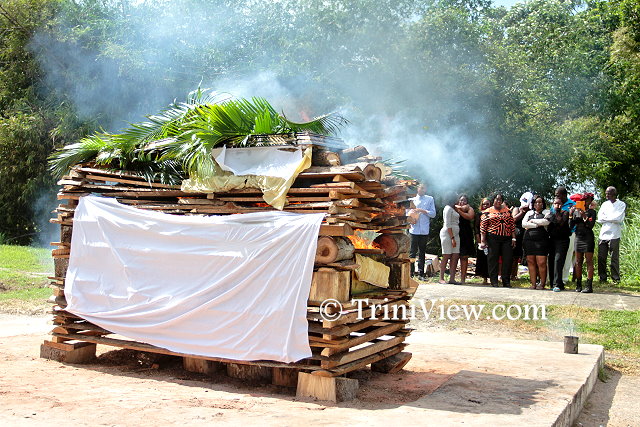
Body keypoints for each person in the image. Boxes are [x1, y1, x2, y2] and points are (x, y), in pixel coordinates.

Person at [480, 193, 516, 288]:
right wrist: (483, 240)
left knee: (507, 259)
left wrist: (513, 238)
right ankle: (494, 281)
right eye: (496, 199)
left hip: (507, 238)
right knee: (493, 259)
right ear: (493, 200)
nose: (498, 201)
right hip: (493, 238)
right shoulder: (487, 212)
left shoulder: (507, 211)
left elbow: (512, 225)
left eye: (500, 199)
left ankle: (506, 281)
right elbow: (483, 227)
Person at [597, 186, 626, 283]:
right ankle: (602, 278)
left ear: (614, 194)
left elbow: (618, 219)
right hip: (603, 234)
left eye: (608, 193)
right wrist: (611, 218)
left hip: (614, 234)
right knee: (601, 257)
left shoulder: (621, 204)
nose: (606, 195)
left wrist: (607, 218)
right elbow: (600, 218)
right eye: (606, 193)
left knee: (614, 258)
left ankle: (615, 278)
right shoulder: (605, 204)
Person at [408, 184, 437, 279]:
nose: (422, 190)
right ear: (417, 188)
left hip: (424, 230)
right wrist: (412, 218)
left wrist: (423, 211)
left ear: (426, 189)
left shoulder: (430, 199)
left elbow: (433, 214)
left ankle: (421, 274)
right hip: (413, 230)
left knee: (422, 252)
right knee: (412, 253)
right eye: (420, 188)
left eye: (424, 188)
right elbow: (406, 214)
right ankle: (411, 273)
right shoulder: (411, 199)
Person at [522, 196, 550, 290]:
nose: (538, 204)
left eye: (540, 202)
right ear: (533, 204)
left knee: (541, 262)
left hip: (542, 240)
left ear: (543, 203)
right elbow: (523, 224)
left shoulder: (546, 212)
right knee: (531, 261)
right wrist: (537, 225)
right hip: (529, 240)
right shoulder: (529, 213)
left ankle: (542, 284)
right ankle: (533, 284)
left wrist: (532, 221)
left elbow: (546, 222)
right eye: (536, 202)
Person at [570, 193, 596, 293]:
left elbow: (590, 225)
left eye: (588, 200)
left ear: (591, 201)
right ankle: (578, 284)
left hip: (588, 237)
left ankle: (589, 285)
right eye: (584, 200)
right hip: (578, 237)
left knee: (589, 261)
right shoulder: (577, 211)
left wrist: (584, 214)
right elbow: (571, 225)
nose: (585, 201)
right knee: (578, 261)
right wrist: (571, 214)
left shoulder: (592, 212)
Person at [547, 197, 571, 292]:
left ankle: (557, 284)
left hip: (563, 240)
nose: (558, 206)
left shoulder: (565, 213)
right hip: (552, 240)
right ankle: (555, 283)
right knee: (551, 260)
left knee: (558, 260)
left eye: (559, 204)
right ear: (553, 204)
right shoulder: (550, 214)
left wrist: (553, 217)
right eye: (556, 204)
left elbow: (561, 222)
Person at [555, 187, 576, 284]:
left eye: (558, 195)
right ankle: (556, 278)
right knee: (557, 258)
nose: (556, 196)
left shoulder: (572, 204)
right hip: (556, 235)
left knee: (568, 256)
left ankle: (564, 279)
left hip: (569, 234)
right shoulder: (555, 204)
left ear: (564, 195)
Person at [511, 192, 533, 280]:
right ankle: (511, 275)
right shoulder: (517, 209)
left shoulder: (531, 211)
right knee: (513, 256)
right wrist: (522, 212)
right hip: (516, 235)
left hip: (526, 235)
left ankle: (514, 275)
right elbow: (514, 219)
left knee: (518, 257)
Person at [439, 196, 461, 284]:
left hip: (456, 234)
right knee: (446, 255)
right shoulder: (447, 208)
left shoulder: (454, 208)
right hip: (447, 234)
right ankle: (441, 278)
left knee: (455, 256)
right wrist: (452, 238)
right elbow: (448, 224)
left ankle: (452, 278)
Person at [455, 194, 475, 284]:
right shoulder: (454, 207)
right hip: (455, 233)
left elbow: (470, 216)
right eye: (461, 200)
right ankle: (453, 278)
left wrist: (460, 211)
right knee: (454, 256)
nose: (462, 202)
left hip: (465, 233)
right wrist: (459, 208)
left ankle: (463, 279)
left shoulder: (469, 208)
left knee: (464, 256)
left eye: (464, 200)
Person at [474, 198, 490, 284]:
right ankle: (484, 278)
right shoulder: (479, 214)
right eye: (484, 204)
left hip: (491, 239)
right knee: (482, 259)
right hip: (481, 239)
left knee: (491, 259)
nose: (486, 206)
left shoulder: (492, 214)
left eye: (488, 204)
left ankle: (492, 277)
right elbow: (476, 228)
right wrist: (479, 241)